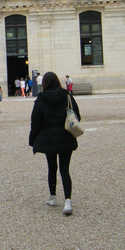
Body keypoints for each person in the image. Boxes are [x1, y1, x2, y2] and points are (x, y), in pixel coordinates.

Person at [29, 71, 80, 216]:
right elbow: (77, 115)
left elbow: (36, 122)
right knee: (65, 169)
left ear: (44, 83)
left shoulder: (41, 99)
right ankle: (68, 201)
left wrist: (32, 140)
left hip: (49, 139)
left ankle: (53, 197)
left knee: (52, 168)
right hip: (65, 137)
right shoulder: (66, 96)